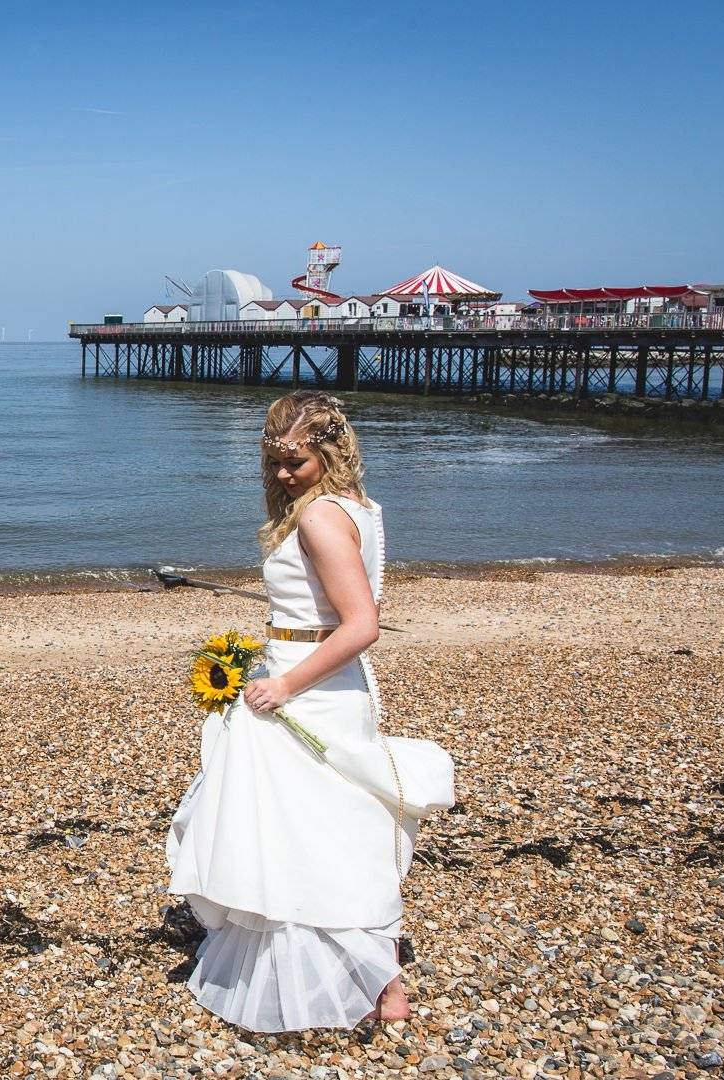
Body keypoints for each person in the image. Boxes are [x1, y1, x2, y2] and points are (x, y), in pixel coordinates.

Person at [166, 389, 452, 1031]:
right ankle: (372, 977)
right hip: (326, 679)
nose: (280, 474)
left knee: (312, 829)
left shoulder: (321, 517)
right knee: (329, 825)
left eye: (294, 461)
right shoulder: (360, 508)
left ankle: (378, 977)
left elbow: (362, 625)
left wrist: (284, 685)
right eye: (272, 462)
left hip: (309, 687)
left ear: (329, 451)